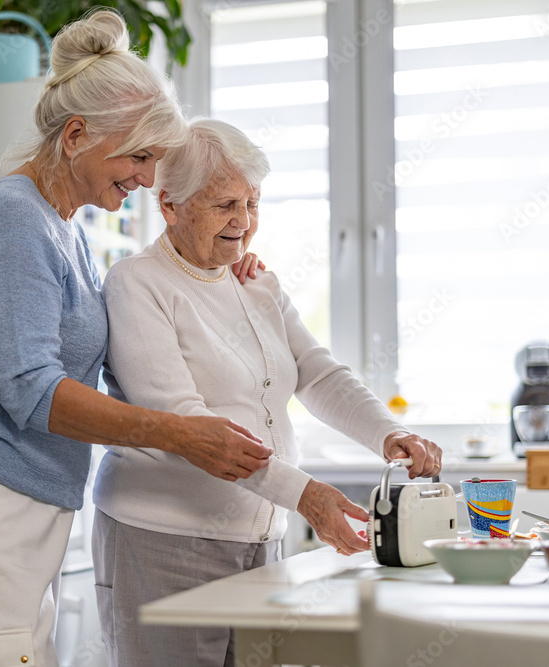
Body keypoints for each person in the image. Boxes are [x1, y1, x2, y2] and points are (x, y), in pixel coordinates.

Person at [0, 13, 274, 667]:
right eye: (139, 156)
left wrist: (221, 258)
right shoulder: (11, 218)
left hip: (22, 500)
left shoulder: (64, 228)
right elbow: (31, 390)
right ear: (75, 136)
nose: (149, 178)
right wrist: (181, 433)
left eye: (155, 159)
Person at [92, 118, 444, 667]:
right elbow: (186, 424)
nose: (244, 223)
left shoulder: (256, 283)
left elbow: (318, 374)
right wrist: (306, 495)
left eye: (253, 204)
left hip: (261, 539)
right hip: (162, 540)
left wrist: (389, 432)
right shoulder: (138, 284)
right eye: (225, 205)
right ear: (169, 205)